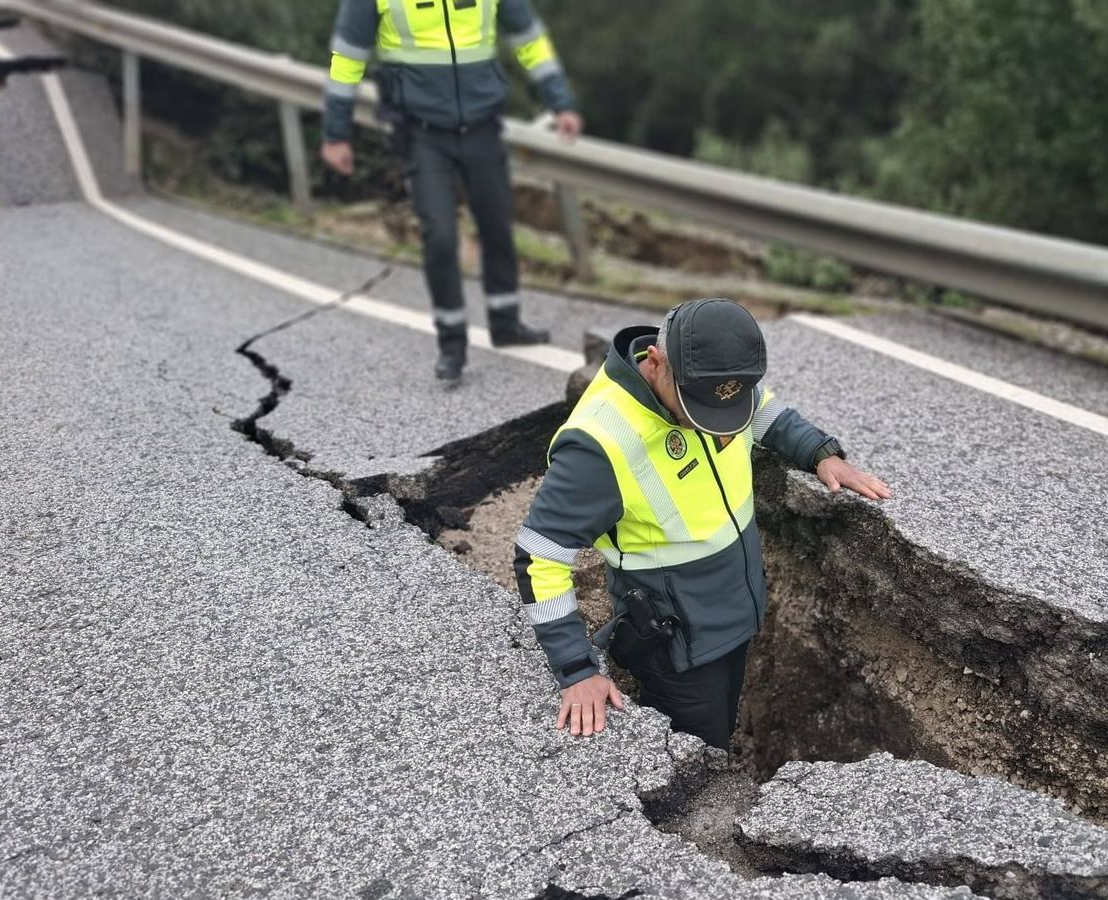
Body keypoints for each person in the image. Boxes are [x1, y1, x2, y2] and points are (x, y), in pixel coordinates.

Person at [513, 299, 892, 749]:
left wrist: (818, 451)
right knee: (703, 750)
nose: (722, 431)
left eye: (726, 411)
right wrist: (576, 669)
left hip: (739, 607)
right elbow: (538, 555)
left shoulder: (717, 384)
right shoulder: (601, 444)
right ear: (655, 363)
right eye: (700, 412)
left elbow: (763, 410)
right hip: (679, 646)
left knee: (728, 712)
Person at [319, 0, 582, 380]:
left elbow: (529, 39)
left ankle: (506, 323)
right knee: (440, 235)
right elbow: (346, 58)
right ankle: (452, 344)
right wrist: (335, 133)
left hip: (482, 125)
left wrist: (560, 102)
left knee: (496, 227)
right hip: (421, 132)